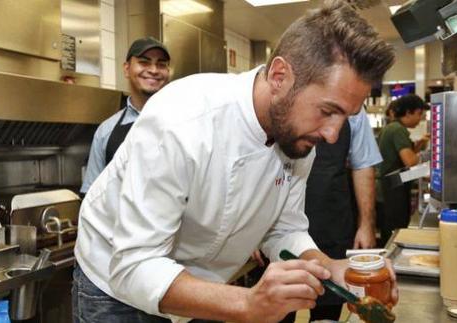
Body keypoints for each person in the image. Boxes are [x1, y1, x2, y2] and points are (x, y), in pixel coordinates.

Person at [72, 1, 396, 323]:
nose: (332, 135)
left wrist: (330, 268)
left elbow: (284, 228)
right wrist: (247, 303)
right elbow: (134, 265)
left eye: (345, 117)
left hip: (198, 285)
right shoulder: (182, 121)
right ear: (280, 76)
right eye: (327, 111)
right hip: (114, 288)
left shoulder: (298, 137)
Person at [280, 107, 382, 322]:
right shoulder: (284, 100)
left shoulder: (354, 108)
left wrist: (366, 224)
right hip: (277, 223)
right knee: (278, 309)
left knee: (327, 311)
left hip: (332, 218)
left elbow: (363, 166)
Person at [80, 37, 170, 196]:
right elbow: (92, 196)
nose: (154, 70)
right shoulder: (106, 131)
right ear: (127, 69)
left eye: (161, 64)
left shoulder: (184, 123)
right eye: (144, 62)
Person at [375, 94, 429, 245]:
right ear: (408, 112)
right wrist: (428, 157)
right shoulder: (398, 130)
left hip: (390, 185)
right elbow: (410, 161)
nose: (420, 119)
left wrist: (418, 146)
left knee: (389, 229)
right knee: (394, 231)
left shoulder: (392, 127)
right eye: (419, 114)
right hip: (392, 187)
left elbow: (403, 157)